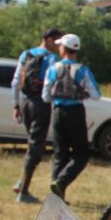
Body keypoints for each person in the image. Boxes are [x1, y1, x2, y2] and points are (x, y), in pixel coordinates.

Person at [41, 33, 101, 202]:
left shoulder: (53, 69)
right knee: (81, 155)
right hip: (76, 112)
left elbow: (45, 96)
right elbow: (96, 95)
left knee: (60, 154)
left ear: (63, 48)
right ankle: (61, 181)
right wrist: (85, 92)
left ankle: (56, 196)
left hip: (58, 112)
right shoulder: (83, 70)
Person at [10, 27, 62, 203]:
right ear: (48, 40)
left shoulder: (26, 54)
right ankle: (23, 192)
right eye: (57, 41)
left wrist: (16, 104)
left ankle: (21, 183)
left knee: (34, 144)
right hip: (41, 104)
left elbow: (16, 80)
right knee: (35, 147)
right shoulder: (52, 59)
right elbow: (53, 85)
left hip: (26, 102)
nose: (58, 45)